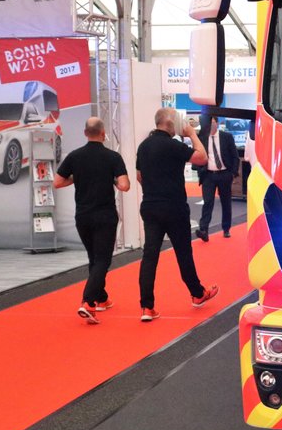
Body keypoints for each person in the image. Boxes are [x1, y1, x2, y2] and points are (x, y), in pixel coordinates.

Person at [135, 107, 219, 322]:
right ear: (170, 123)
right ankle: (197, 293)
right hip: (173, 206)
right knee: (183, 252)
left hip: (150, 206)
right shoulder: (173, 145)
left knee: (150, 255)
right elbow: (202, 157)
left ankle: (147, 307)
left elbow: (139, 176)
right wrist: (192, 134)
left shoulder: (143, 146)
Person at [54, 116, 130, 325]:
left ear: (85, 133)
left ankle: (101, 297)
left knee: (94, 258)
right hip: (105, 215)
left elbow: (58, 182)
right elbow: (124, 185)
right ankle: (88, 302)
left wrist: (76, 178)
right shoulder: (113, 157)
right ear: (104, 133)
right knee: (103, 259)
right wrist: (112, 179)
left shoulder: (75, 157)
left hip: (83, 215)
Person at [195, 117, 240, 241]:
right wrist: (200, 171)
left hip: (224, 174)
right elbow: (197, 156)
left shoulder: (227, 137)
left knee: (226, 202)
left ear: (218, 123)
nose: (210, 125)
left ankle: (226, 229)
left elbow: (235, 157)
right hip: (208, 175)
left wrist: (233, 173)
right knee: (208, 202)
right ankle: (204, 229)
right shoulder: (202, 138)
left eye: (212, 122)